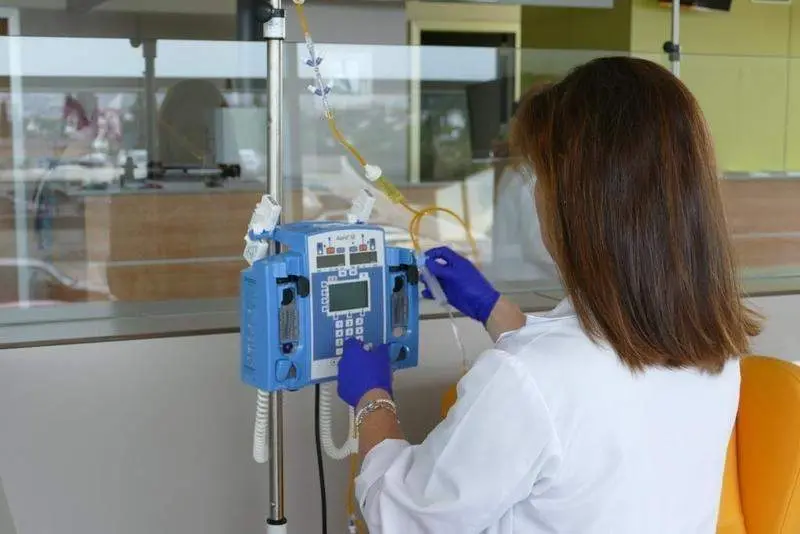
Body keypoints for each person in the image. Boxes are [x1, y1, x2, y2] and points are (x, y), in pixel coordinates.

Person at [336, 56, 761, 534]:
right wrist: (497, 310)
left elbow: (403, 516)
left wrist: (371, 399)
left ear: (579, 203)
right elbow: (592, 384)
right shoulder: (716, 353)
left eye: (541, 178)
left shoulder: (528, 380)